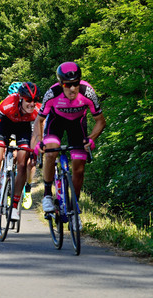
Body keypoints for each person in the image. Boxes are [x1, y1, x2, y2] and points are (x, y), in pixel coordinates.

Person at [32, 62, 106, 230]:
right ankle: (47, 195)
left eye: (76, 83)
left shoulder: (88, 92)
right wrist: (39, 141)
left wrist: (91, 138)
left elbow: (100, 121)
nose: (72, 89)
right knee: (50, 152)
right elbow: (40, 120)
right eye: (68, 84)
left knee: (79, 169)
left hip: (77, 125)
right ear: (61, 83)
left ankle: (74, 210)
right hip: (56, 122)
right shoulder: (52, 93)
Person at [0, 82, 42, 220]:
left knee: (22, 165)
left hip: (23, 129)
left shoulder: (38, 110)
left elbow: (39, 133)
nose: (32, 104)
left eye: (35, 100)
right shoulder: (8, 104)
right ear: (21, 98)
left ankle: (15, 206)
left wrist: (35, 150)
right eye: (28, 100)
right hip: (5, 126)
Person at [8, 82, 35, 209]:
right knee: (11, 154)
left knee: (30, 162)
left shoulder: (32, 108)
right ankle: (7, 185)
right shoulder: (9, 105)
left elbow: (36, 129)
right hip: (12, 134)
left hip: (28, 134)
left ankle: (28, 189)